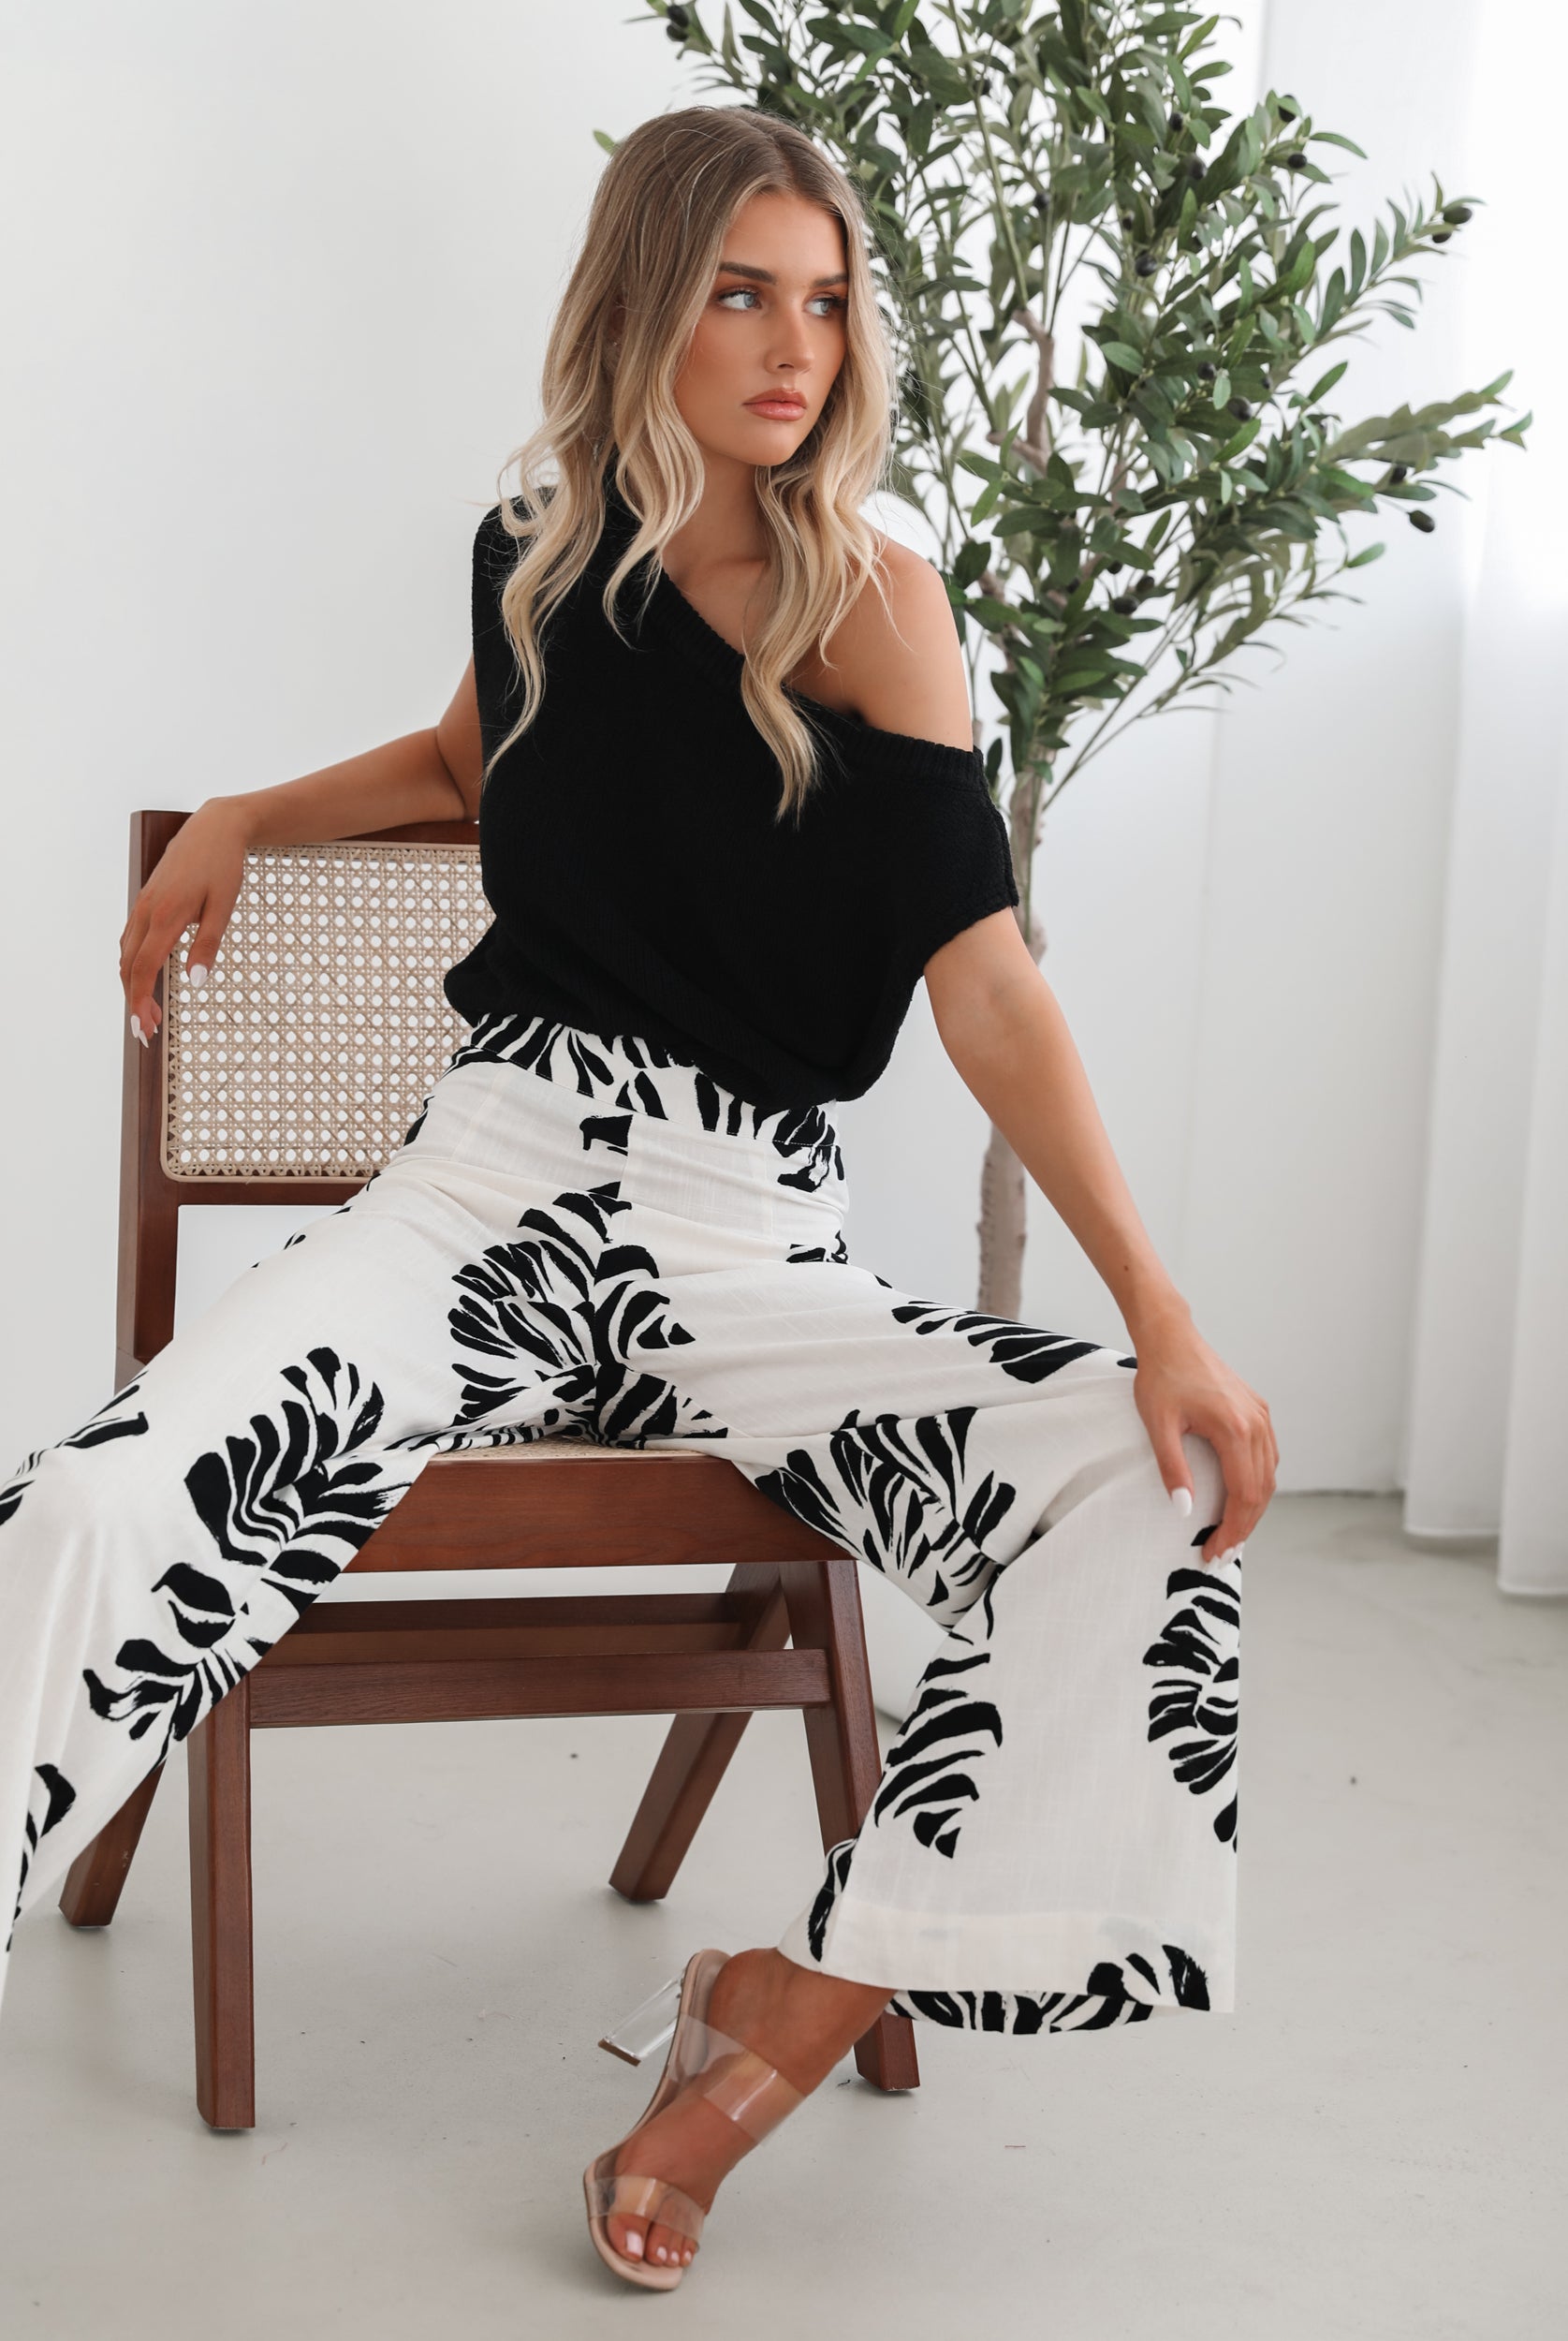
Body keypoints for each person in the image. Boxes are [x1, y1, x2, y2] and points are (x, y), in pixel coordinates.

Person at [2, 105, 1276, 2292]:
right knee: (103, 1501)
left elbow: (984, 979)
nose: (795, 344)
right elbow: (465, 761)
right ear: (640, 305)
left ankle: (779, 2014)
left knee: (1125, 1477)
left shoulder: (875, 602)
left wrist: (1151, 1297)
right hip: (479, 1196)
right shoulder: (541, 547)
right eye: (739, 291)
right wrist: (240, 808)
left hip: (735, 1238)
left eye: (825, 297)